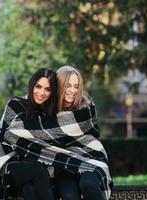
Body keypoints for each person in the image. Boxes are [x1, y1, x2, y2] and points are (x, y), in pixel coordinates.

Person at [0, 68, 57, 200]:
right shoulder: (16, 105)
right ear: (32, 85)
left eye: (47, 89)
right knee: (39, 173)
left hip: (35, 168)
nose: (41, 93)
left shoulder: (51, 116)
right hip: (9, 164)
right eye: (38, 86)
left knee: (29, 190)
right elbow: (4, 136)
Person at [54, 65, 110, 200]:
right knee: (69, 196)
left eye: (76, 86)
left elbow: (92, 140)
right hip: (65, 166)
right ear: (59, 85)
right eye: (68, 85)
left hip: (91, 160)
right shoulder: (49, 112)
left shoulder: (86, 109)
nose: (73, 90)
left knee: (88, 184)